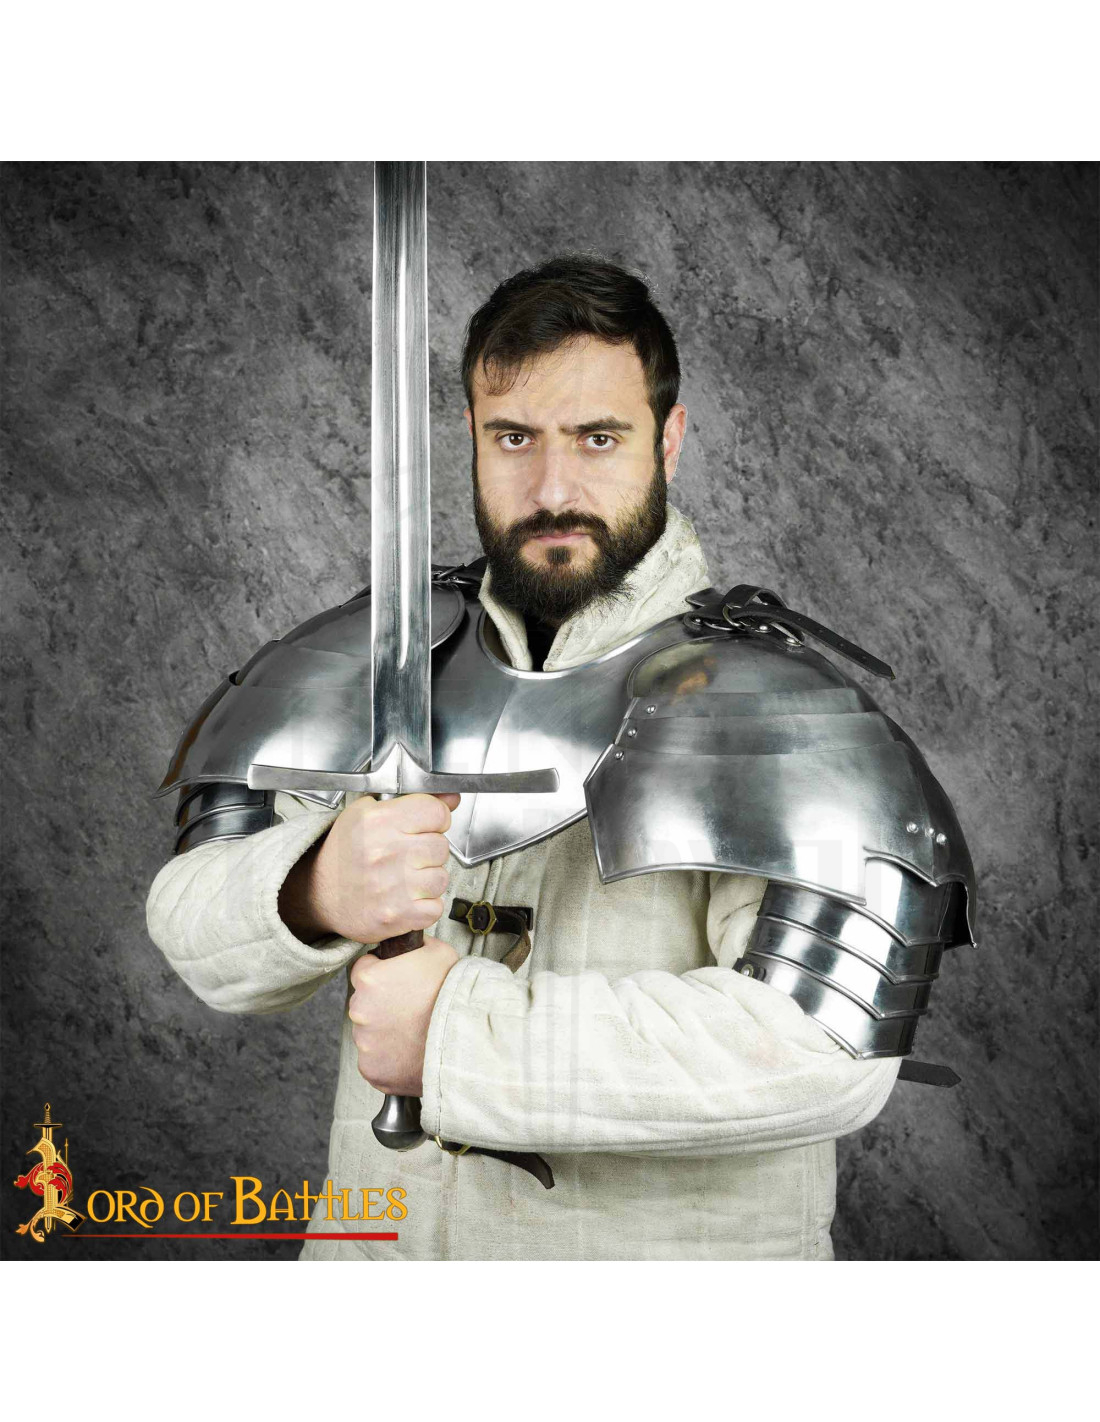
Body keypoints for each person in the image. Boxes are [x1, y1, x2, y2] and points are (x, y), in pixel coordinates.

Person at [147, 255, 972, 1260]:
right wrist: (313, 887)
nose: (551, 489)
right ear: (471, 436)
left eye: (597, 438)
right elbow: (190, 923)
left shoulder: (774, 706)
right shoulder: (385, 658)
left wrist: (457, 1034)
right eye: (514, 438)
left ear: (669, 439)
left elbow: (823, 1049)